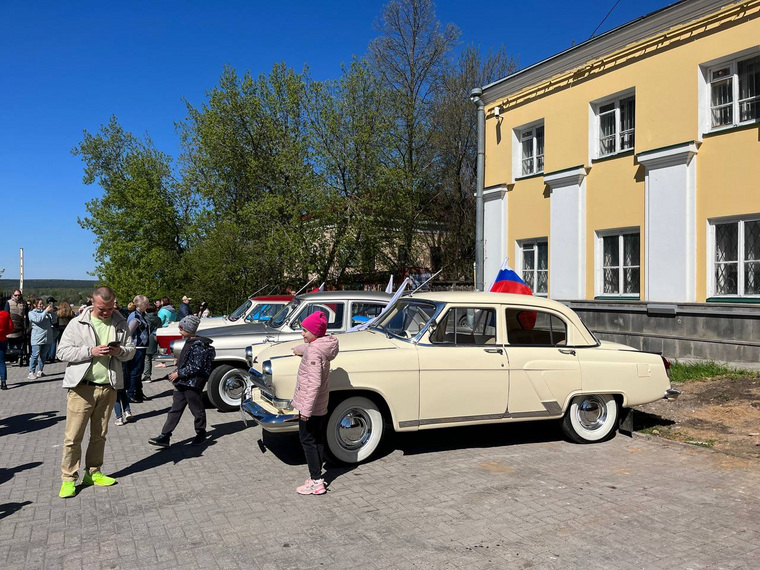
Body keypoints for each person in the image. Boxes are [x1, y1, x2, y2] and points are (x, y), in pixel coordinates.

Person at [56, 286, 135, 499]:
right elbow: (61, 351)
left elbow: (131, 351)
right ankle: (68, 479)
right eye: (102, 308)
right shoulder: (78, 322)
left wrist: (119, 352)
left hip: (108, 388)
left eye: (110, 308)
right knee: (73, 437)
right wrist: (90, 351)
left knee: (99, 435)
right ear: (92, 302)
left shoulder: (120, 322)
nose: (106, 312)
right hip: (82, 388)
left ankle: (93, 472)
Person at [290, 311, 339, 496]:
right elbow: (310, 348)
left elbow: (314, 382)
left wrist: (305, 410)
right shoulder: (321, 346)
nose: (302, 333)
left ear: (314, 333)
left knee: (307, 440)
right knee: (317, 440)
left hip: (310, 406)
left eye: (304, 331)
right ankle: (316, 476)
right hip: (321, 405)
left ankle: (316, 481)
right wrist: (297, 349)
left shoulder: (313, 351)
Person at [149, 315, 215, 448]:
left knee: (197, 410)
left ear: (189, 329)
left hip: (192, 384)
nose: (179, 331)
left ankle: (201, 434)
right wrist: (179, 362)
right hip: (182, 383)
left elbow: (196, 366)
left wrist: (178, 372)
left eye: (181, 328)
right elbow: (189, 360)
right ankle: (165, 436)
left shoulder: (199, 345)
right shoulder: (189, 342)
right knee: (175, 409)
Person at [28, 298, 57, 379]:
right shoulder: (31, 313)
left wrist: (52, 313)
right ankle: (31, 372)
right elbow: (38, 320)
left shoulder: (46, 313)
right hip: (37, 338)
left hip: (47, 337)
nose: (41, 305)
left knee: (43, 355)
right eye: (39, 304)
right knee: (35, 355)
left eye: (42, 304)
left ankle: (40, 370)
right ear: (35, 305)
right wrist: (45, 311)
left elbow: (54, 321)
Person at [5, 290, 28, 367]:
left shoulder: (24, 303)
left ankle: (18, 356)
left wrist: (26, 326)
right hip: (10, 327)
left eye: (19, 295)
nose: (17, 297)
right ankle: (10, 356)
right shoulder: (9, 303)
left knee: (19, 343)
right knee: (9, 343)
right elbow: (5, 315)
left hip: (19, 327)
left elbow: (26, 315)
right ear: (13, 295)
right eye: (16, 295)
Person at [142, 304, 162, 383]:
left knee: (146, 358)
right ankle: (147, 375)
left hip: (146, 338)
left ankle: (147, 376)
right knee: (149, 357)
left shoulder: (145, 318)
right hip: (155, 337)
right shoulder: (158, 319)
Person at [0, 306, 14, 390]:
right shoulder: (5, 314)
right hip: (2, 339)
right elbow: (11, 327)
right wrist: (5, 333)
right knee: (2, 362)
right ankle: (3, 381)